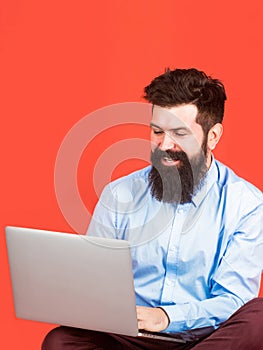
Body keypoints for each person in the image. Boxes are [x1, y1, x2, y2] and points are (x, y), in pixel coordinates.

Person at [42, 68, 263, 349]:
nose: (165, 145)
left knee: (260, 319)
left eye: (180, 134)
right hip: (133, 338)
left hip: (203, 340)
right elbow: (93, 284)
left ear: (213, 136)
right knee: (61, 341)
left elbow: (232, 300)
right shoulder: (119, 194)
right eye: (157, 131)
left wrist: (166, 317)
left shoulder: (247, 205)